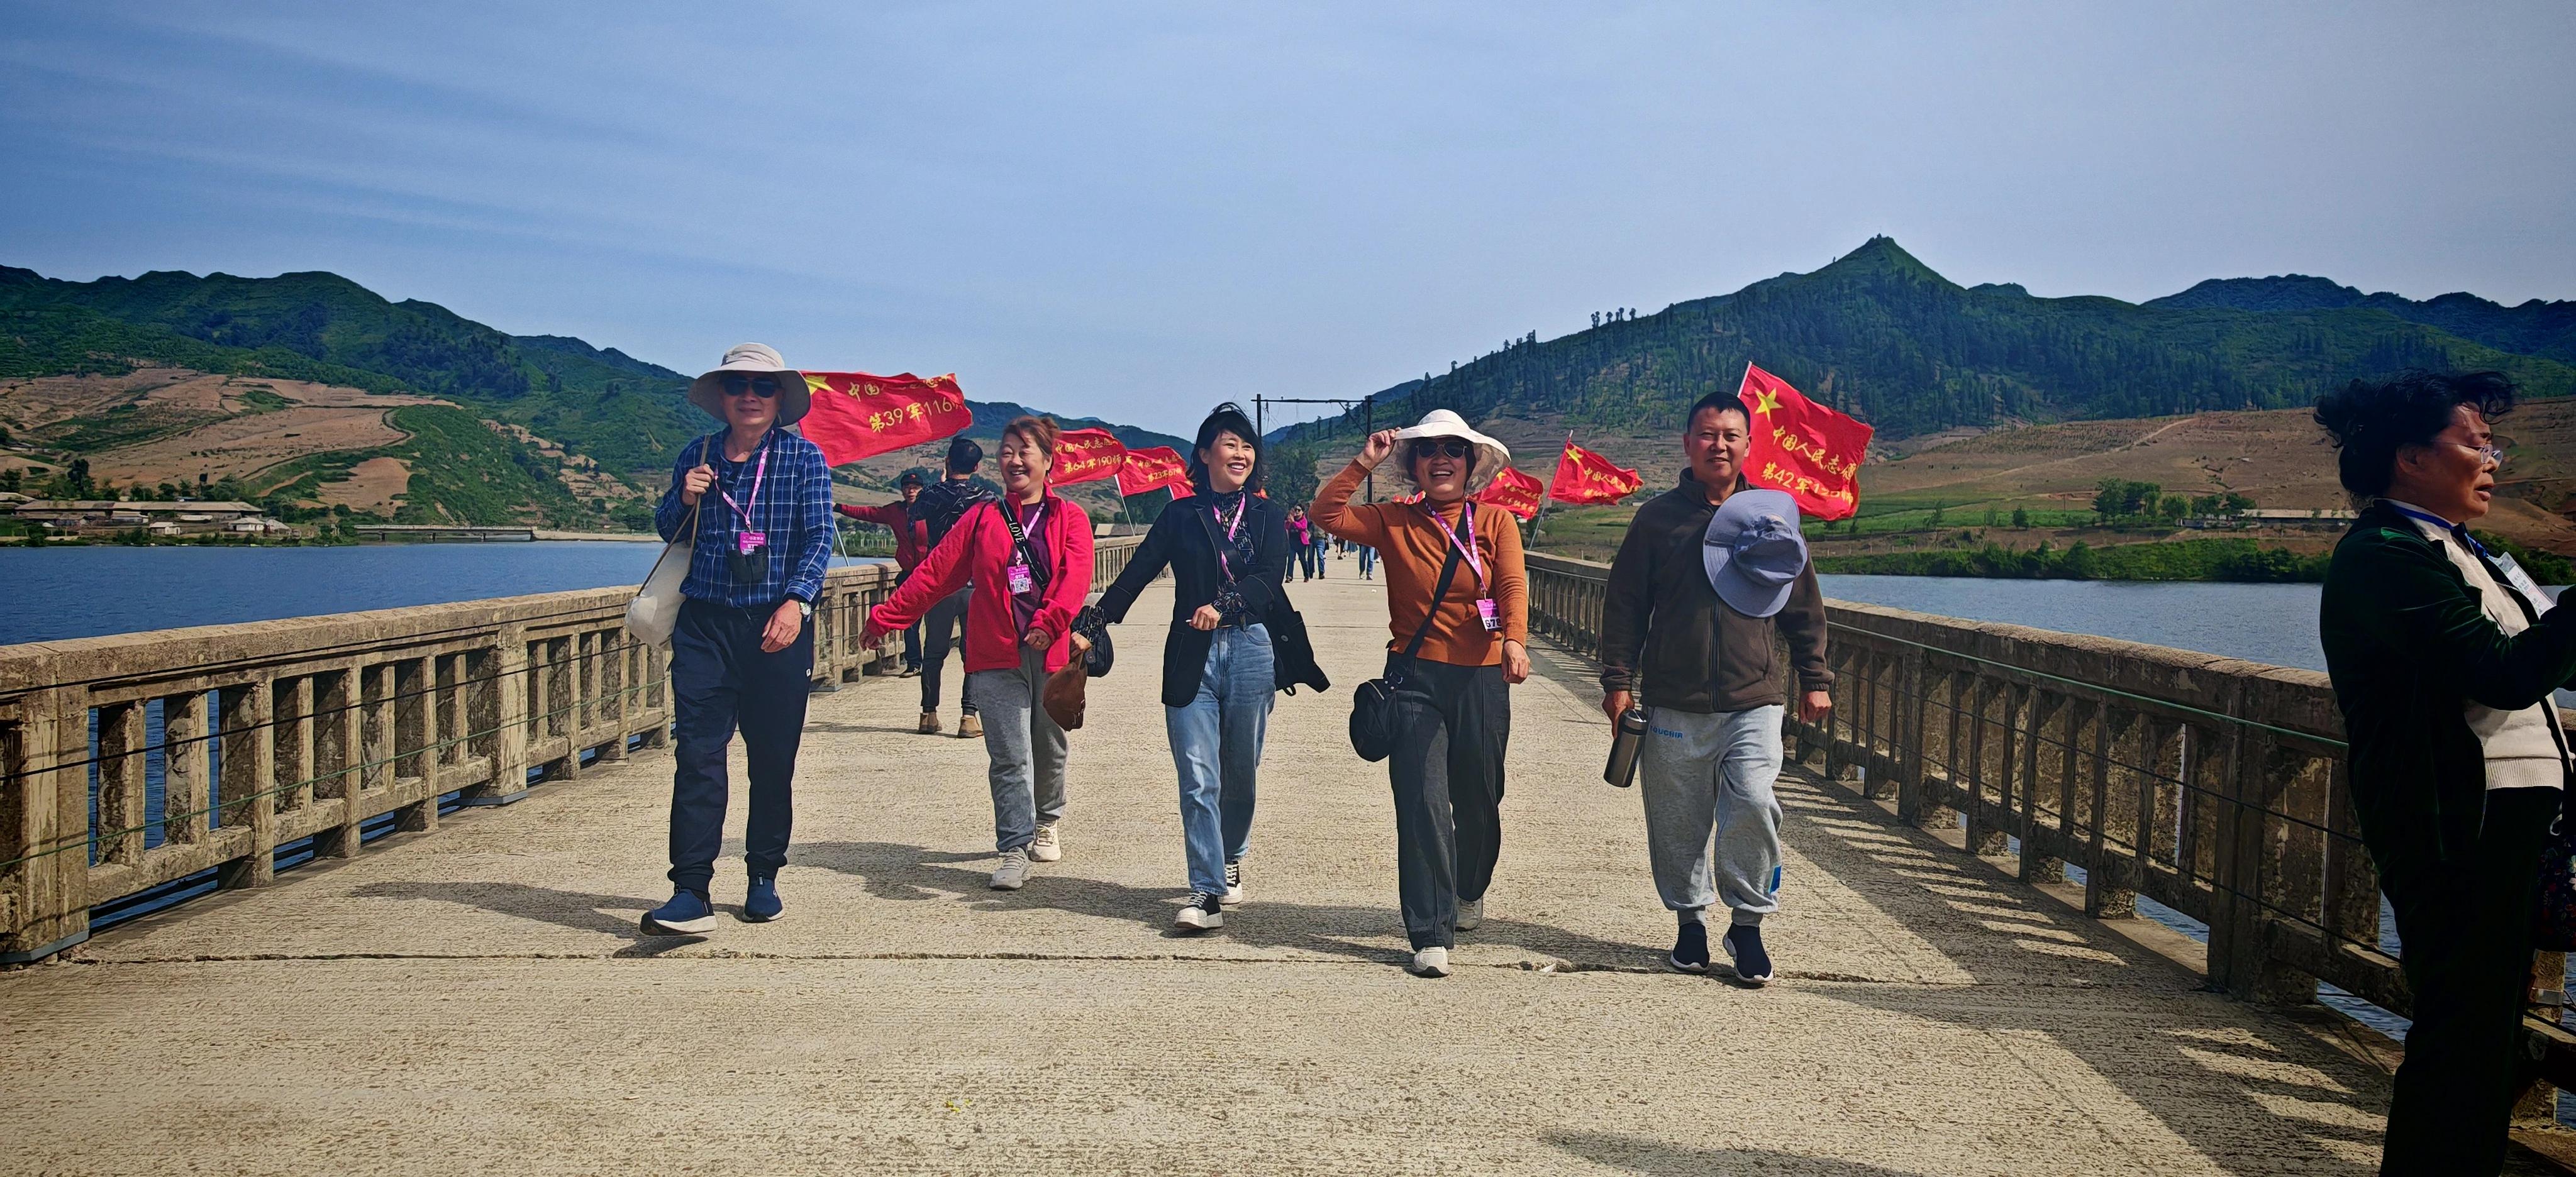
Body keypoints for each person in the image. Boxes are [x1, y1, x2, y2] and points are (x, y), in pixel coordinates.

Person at [2312, 370, 2576, 1176]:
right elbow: (2499, 674)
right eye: (2476, 443)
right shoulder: (2384, 558)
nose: (2493, 460)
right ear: (2410, 458)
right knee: (2463, 1032)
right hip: (2455, 827)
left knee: (2487, 1031)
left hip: (2504, 821)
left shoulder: (2457, 551)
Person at [1599, 390, 1833, 986]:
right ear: (1687, 443)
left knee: (1755, 802)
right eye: (1708, 434)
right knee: (1679, 822)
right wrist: (1618, 682)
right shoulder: (1656, 520)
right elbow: (1625, 605)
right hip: (1675, 700)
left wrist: (1816, 677)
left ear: (1748, 445)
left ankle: (1748, 925)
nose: (1719, 445)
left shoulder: (1770, 516)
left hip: (1754, 697)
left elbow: (1801, 604)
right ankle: (1690, 924)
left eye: (1731, 435)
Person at [1313, 408, 1530, 978]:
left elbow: (1510, 584)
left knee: (1479, 796)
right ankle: (1429, 931)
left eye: (1453, 450)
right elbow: (1325, 514)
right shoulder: (1392, 521)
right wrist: (1365, 462)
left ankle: (1469, 885)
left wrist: (1515, 640)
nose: (1441, 459)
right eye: (1428, 450)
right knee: (1422, 802)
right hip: (1414, 679)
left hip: (1482, 675)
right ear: (1414, 465)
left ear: (1470, 463)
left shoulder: (1496, 522)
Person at [641, 343, 834, 935]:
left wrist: (797, 602)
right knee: (698, 755)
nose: (750, 395)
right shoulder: (696, 455)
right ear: (722, 397)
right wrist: (686, 497)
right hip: (706, 624)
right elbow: (667, 530)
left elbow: (819, 538)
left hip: (776, 627)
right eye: (738, 385)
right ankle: (690, 887)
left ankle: (763, 875)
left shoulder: (803, 459)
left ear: (779, 399)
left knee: (772, 760)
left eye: (763, 386)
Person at [867, 417, 1094, 890]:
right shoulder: (984, 517)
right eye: (1007, 451)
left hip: (1050, 653)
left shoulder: (1069, 517)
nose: (1014, 459)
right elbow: (935, 573)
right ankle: (1013, 848)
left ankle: (1047, 820)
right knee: (1009, 755)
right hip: (994, 653)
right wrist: (889, 615)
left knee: (1049, 747)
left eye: (1025, 450)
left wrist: (1049, 622)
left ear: (1048, 460)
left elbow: (1075, 578)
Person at [1087, 403, 1289, 931]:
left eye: (1248, 446)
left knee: (1240, 770)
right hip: (1189, 655)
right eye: (1230, 443)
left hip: (1250, 648)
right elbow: (1138, 571)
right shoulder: (1180, 515)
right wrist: (1095, 622)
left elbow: (1271, 578)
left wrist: (1225, 606)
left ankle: (1232, 852)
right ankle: (1205, 891)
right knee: (1199, 777)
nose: (1240, 453)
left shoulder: (1269, 516)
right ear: (1204, 454)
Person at [908, 437, 998, 737]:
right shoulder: (987, 499)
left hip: (940, 585)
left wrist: (940, 481)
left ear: (947, 461)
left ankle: (928, 714)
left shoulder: (931, 496)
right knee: (973, 652)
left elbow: (914, 515)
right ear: (976, 467)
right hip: (975, 586)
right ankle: (969, 717)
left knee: (933, 652)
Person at [835, 470, 930, 675]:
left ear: (922, 489)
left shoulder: (932, 510)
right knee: (909, 621)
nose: (910, 491)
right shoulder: (896, 511)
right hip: (908, 574)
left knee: (936, 621)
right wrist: (838, 507)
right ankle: (914, 664)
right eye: (906, 487)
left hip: (931, 573)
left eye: (915, 487)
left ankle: (932, 663)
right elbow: (869, 513)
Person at [1287, 505, 1317, 582]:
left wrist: (1294, 522)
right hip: (1292, 543)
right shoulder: (1292, 519)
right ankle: (1289, 576)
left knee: (1302, 559)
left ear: (1302, 512)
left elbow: (1303, 527)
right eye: (1295, 510)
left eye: (1299, 510)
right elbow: (1286, 527)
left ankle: (1306, 576)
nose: (1296, 512)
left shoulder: (1304, 520)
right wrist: (1289, 521)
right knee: (1291, 559)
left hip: (1301, 543)